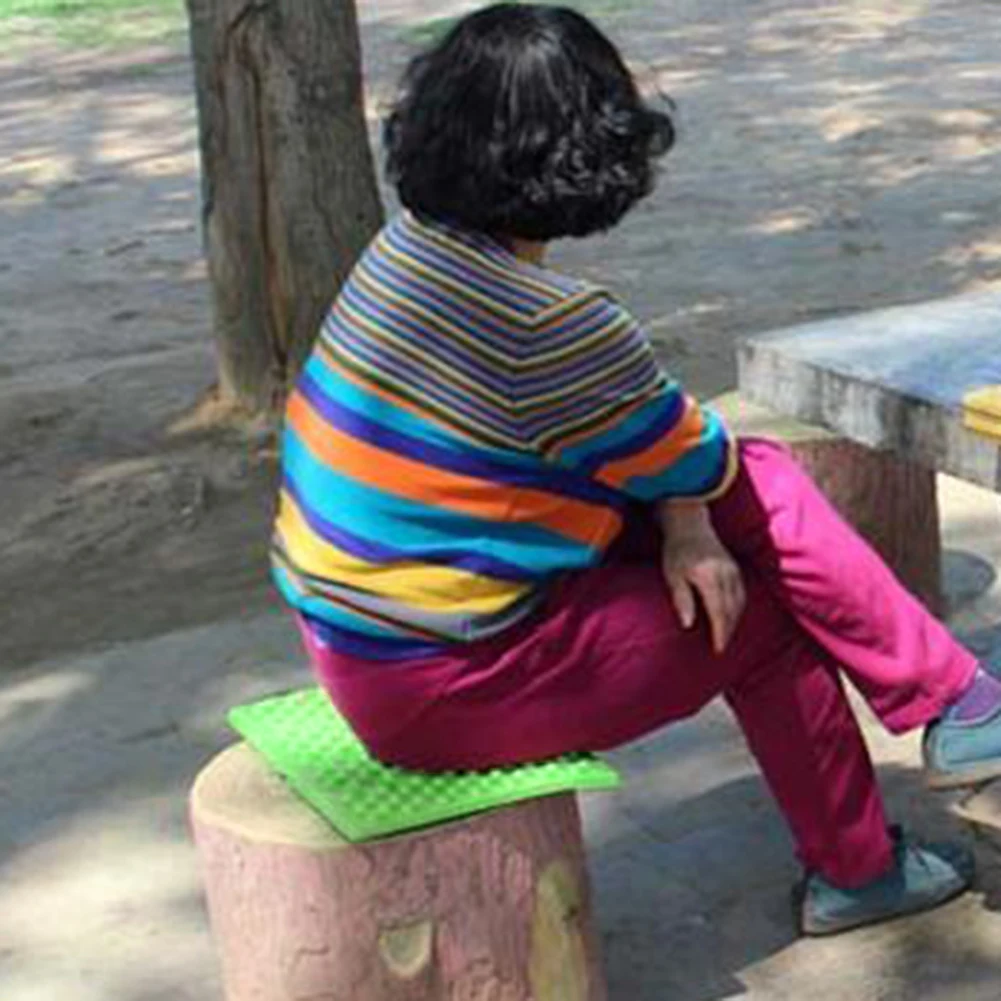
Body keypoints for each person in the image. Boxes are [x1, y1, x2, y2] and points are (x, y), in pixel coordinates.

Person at [271, 3, 1001, 936]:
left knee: (740, 500)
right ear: (595, 146)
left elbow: (654, 457)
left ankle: (950, 702)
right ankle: (865, 854)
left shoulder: (401, 255)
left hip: (370, 638)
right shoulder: (550, 324)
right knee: (765, 603)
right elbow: (697, 454)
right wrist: (690, 513)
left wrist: (687, 521)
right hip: (440, 681)